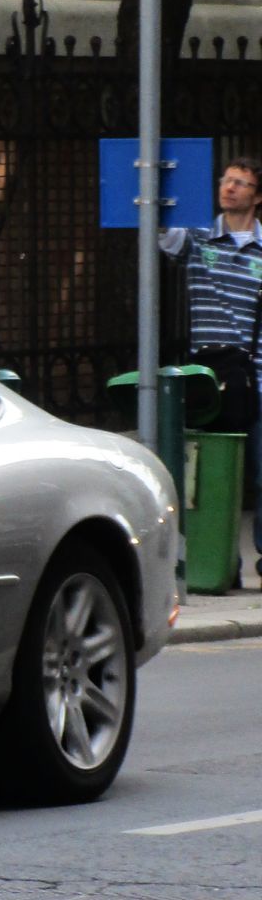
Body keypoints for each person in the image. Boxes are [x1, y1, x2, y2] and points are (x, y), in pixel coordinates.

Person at [160, 157, 262, 584]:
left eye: (241, 183)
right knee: (207, 475)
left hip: (257, 377)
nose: (230, 188)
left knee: (261, 473)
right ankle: (217, 564)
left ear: (257, 196)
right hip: (210, 377)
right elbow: (161, 232)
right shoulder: (198, 237)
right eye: (226, 181)